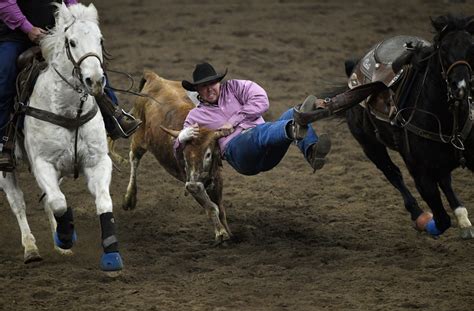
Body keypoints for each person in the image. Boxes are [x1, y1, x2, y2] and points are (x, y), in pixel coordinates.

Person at [0, 0, 141, 171]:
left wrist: (74, 18)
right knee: (4, 76)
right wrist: (28, 28)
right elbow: (5, 3)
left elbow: (70, 2)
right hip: (17, 35)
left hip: (56, 32)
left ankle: (115, 117)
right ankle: (4, 143)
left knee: (91, 64)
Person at [176, 62, 332, 175]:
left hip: (268, 148)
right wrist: (182, 138)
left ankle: (312, 151)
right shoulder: (195, 116)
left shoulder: (235, 87)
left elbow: (261, 100)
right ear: (197, 90)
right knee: (257, 133)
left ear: (219, 82)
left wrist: (234, 120)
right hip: (239, 153)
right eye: (204, 86)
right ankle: (293, 129)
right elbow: (178, 149)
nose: (210, 89)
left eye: (212, 83)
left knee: (293, 113)